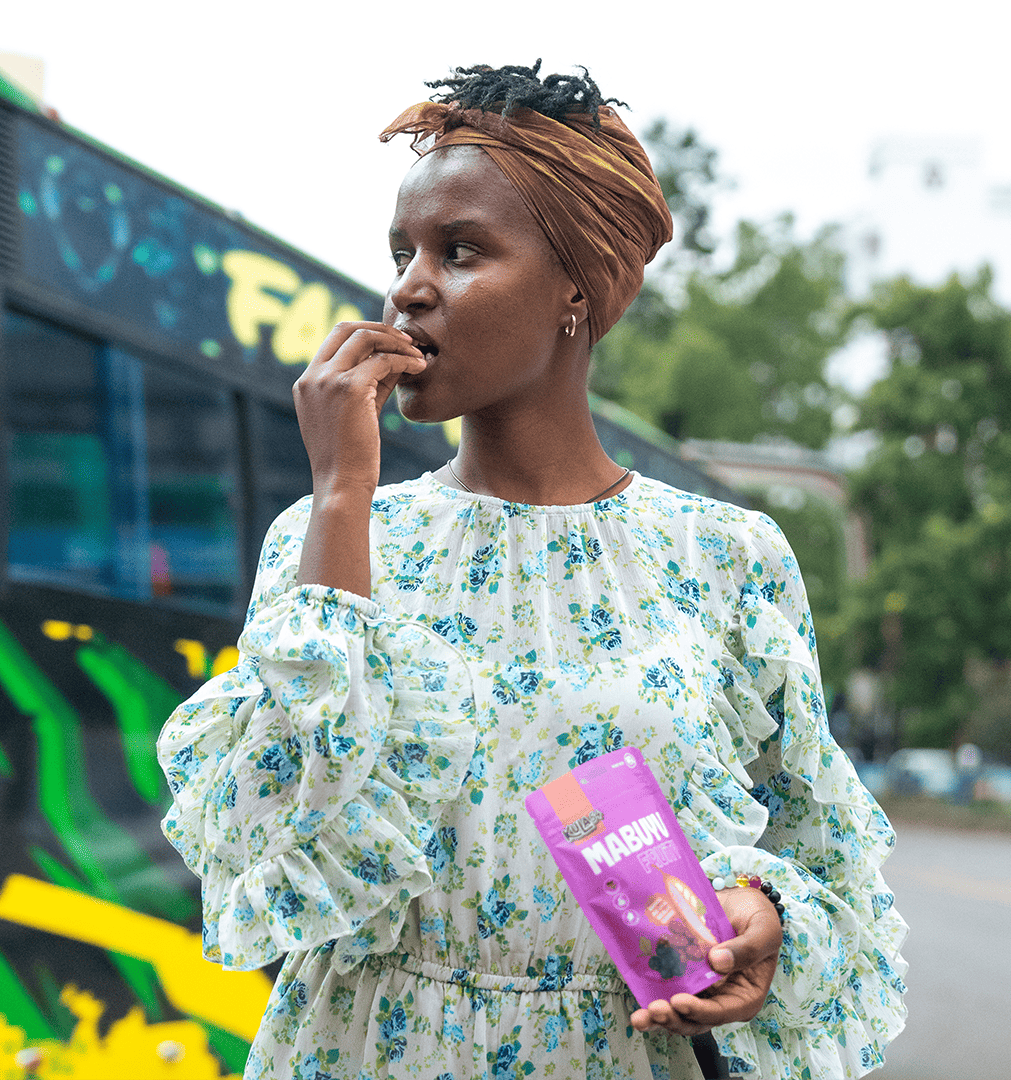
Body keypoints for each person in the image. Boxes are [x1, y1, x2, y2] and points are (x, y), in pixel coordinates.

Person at [158, 62, 907, 1080]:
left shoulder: (728, 557)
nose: (410, 286)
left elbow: (822, 851)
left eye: (461, 250)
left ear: (576, 289)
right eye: (403, 253)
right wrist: (341, 497)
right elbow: (265, 837)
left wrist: (759, 920)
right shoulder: (330, 535)